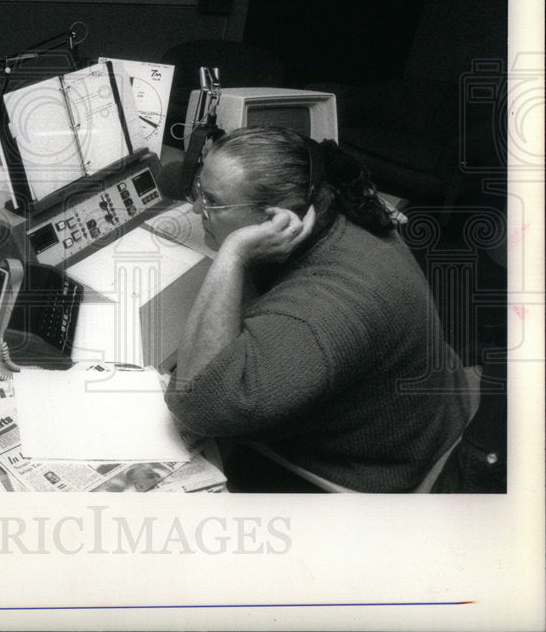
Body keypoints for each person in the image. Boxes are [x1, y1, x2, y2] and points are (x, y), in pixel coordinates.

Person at [164, 126, 472, 492]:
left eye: (211, 201)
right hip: (427, 414)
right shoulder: (339, 205)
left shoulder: (315, 313)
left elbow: (195, 404)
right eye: (199, 190)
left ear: (273, 220)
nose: (197, 208)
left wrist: (233, 255)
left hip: (380, 465)